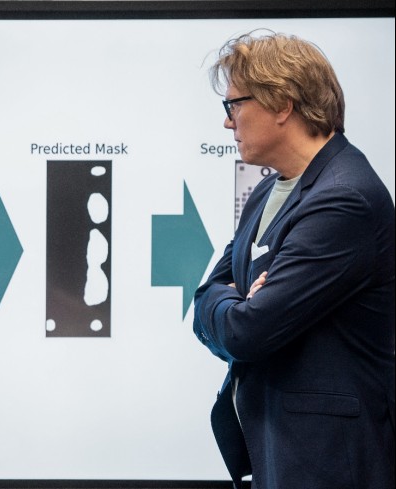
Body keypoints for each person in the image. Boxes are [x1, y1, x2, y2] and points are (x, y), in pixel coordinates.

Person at [193, 31, 395, 489]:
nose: (227, 122)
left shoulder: (344, 198)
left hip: (327, 463)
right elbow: (209, 292)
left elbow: (247, 332)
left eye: (234, 105)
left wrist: (239, 307)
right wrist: (234, 301)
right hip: (277, 452)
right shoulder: (269, 188)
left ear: (282, 104)